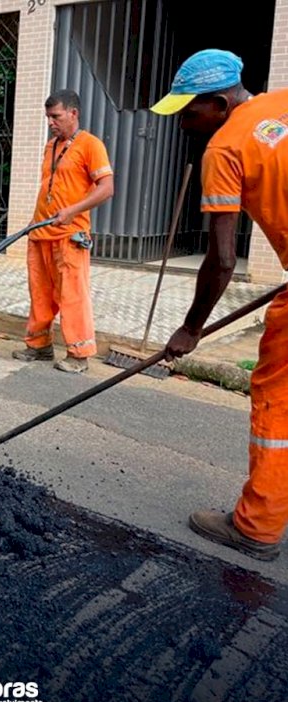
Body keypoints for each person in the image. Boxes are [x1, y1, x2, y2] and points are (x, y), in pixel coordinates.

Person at [152, 49, 288, 561]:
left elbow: (223, 257)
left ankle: (256, 527)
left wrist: (190, 329)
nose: (185, 123)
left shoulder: (224, 147)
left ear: (217, 101)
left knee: (279, 406)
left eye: (189, 111)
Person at [12, 89, 114, 374]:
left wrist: (71, 210)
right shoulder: (51, 146)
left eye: (55, 116)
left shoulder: (90, 145)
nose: (51, 123)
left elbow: (106, 188)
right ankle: (39, 346)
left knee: (72, 294)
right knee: (40, 294)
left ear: (73, 113)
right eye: (48, 117)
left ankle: (78, 355)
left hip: (70, 235)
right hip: (40, 232)